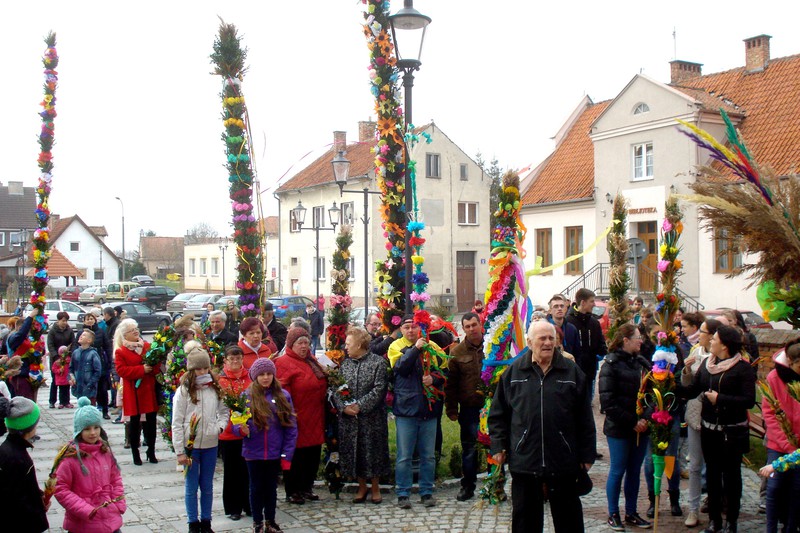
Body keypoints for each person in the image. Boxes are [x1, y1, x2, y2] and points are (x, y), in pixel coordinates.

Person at [489, 320, 596, 532]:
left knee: (569, 522)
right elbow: (498, 414)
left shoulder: (572, 372)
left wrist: (587, 455)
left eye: (551, 338)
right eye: (542, 338)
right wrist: (498, 445)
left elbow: (584, 417)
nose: (548, 343)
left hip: (563, 460)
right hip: (525, 461)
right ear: (529, 342)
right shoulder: (514, 373)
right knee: (525, 523)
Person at [680, 325, 756, 533]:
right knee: (712, 475)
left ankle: (731, 521)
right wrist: (669, 385)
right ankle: (714, 521)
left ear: (724, 345)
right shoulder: (707, 363)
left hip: (732, 432)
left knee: (732, 477)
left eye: (714, 339)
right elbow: (694, 389)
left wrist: (720, 399)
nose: (711, 341)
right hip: (709, 429)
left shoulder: (743, 368)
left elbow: (749, 400)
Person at [598, 324, 654, 531]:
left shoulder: (641, 363)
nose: (641, 341)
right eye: (637, 337)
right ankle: (613, 513)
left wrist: (645, 418)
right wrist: (632, 422)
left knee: (634, 471)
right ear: (626, 340)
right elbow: (608, 402)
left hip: (642, 427)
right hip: (619, 428)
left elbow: (653, 394)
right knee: (618, 469)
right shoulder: (610, 365)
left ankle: (631, 512)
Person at [388, 314, 446, 509]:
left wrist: (434, 379)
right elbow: (401, 368)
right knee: (404, 455)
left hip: (429, 409)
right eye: (407, 327)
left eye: (414, 327)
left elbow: (444, 371)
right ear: (401, 330)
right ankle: (403, 493)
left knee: (428, 455)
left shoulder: (433, 346)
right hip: (407, 409)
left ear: (420, 328)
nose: (411, 330)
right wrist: (416, 349)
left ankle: (426, 491)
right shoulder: (395, 346)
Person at [234, 357, 297, 533]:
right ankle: (257, 522)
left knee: (271, 488)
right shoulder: (246, 397)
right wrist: (241, 430)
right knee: (255, 488)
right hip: (253, 452)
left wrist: (287, 454)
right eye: (262, 374)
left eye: (269, 374)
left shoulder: (283, 396)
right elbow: (236, 423)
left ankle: (270, 520)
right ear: (255, 376)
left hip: (274, 452)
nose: (266, 377)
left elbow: (291, 428)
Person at [172, 341, 228, 533]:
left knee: (207, 485)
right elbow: (177, 421)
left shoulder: (214, 388)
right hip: (191, 445)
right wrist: (179, 451)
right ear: (191, 370)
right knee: (191, 486)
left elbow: (224, 412)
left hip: (210, 443)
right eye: (198, 369)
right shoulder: (184, 391)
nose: (202, 372)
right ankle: (192, 523)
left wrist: (219, 427)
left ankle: (206, 521)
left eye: (205, 368)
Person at [54, 396, 126, 533]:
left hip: (110, 520)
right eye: (87, 429)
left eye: (96, 427)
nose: (93, 433)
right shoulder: (70, 458)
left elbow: (115, 479)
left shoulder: (105, 452)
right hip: (83, 523)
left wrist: (118, 502)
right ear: (79, 431)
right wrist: (85, 509)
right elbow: (60, 489)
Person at [334, 327, 390, 504]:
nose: (345, 347)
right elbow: (337, 387)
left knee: (373, 451)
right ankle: (361, 486)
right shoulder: (345, 364)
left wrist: (360, 405)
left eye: (348, 344)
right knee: (355, 451)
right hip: (350, 418)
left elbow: (379, 388)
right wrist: (344, 407)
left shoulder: (378, 363)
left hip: (372, 417)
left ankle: (375, 487)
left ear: (359, 345)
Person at [274, 327, 327, 505]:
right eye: (300, 343)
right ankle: (293, 490)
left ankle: (306, 487)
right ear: (291, 344)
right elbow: (282, 393)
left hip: (315, 416)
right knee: (296, 455)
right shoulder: (283, 363)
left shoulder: (312, 360)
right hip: (297, 417)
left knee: (312, 455)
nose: (304, 346)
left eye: (306, 342)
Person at [682, 318, 722, 528]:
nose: (699, 336)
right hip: (695, 415)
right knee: (695, 465)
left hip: (715, 418)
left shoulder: (721, 359)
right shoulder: (696, 352)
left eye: (703, 332)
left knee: (715, 466)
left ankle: (716, 507)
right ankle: (693, 508)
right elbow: (688, 386)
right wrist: (686, 371)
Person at [444, 312, 484, 501]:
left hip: (492, 408)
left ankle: (496, 485)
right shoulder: (457, 352)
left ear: (480, 324)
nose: (471, 329)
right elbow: (451, 384)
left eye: (474, 325)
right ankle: (467, 486)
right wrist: (451, 408)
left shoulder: (493, 346)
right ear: (463, 329)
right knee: (469, 450)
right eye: (467, 326)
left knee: (495, 448)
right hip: (469, 409)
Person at [761, 340, 800, 533]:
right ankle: (771, 529)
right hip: (778, 442)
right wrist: (787, 443)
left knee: (797, 488)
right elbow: (770, 413)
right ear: (790, 362)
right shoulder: (774, 377)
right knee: (774, 487)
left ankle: (790, 527)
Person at [114, 318, 160, 466]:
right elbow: (121, 370)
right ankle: (135, 452)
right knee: (134, 424)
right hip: (133, 392)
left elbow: (156, 366)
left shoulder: (147, 346)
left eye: (136, 329)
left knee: (151, 423)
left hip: (148, 390)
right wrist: (141, 370)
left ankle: (151, 451)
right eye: (131, 330)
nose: (135, 332)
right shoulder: (121, 351)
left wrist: (152, 367)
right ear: (124, 335)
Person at [0, 396, 49, 532]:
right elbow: (17, 496)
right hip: (22, 523)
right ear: (30, 427)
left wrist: (39, 495)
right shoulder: (17, 457)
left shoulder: (10, 449)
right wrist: (38, 510)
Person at [217, 345, 252, 521]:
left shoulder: (249, 377)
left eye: (238, 358)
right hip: (229, 433)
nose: (236, 362)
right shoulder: (220, 380)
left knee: (247, 470)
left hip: (247, 431)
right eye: (232, 359)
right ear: (226, 360)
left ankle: (249, 504)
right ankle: (233, 507)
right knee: (232, 471)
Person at [565, 288, 607, 400]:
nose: (594, 304)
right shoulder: (568, 322)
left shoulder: (594, 322)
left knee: (587, 402)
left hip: (589, 371)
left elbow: (601, 344)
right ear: (583, 302)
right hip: (573, 371)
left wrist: (601, 353)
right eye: (592, 301)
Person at [78, 312, 114, 419]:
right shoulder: (81, 333)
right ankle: (88, 411)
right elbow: (76, 348)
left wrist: (110, 360)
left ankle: (105, 410)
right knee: (88, 389)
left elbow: (107, 346)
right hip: (86, 366)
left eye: (91, 318)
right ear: (84, 321)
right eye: (87, 319)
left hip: (100, 363)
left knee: (102, 389)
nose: (89, 320)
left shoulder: (101, 331)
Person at [6, 308, 40, 400]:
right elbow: (21, 334)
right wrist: (30, 317)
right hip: (18, 374)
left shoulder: (26, 338)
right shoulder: (14, 337)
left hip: (27, 372)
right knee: (20, 399)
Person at [47, 311, 75, 408]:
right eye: (63, 320)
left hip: (66, 359)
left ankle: (65, 401)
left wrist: (69, 355)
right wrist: (56, 357)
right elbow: (50, 345)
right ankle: (52, 401)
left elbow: (73, 344)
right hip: (56, 359)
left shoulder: (70, 331)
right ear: (58, 320)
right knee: (55, 381)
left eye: (66, 321)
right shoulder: (52, 331)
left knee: (66, 381)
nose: (64, 323)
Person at [69, 329, 101, 405]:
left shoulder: (93, 353)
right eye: (81, 335)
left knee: (90, 407)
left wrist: (90, 383)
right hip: (78, 387)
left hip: (89, 388)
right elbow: (71, 368)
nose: (80, 336)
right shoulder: (75, 352)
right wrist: (71, 377)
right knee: (81, 407)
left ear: (89, 340)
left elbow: (97, 371)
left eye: (84, 335)